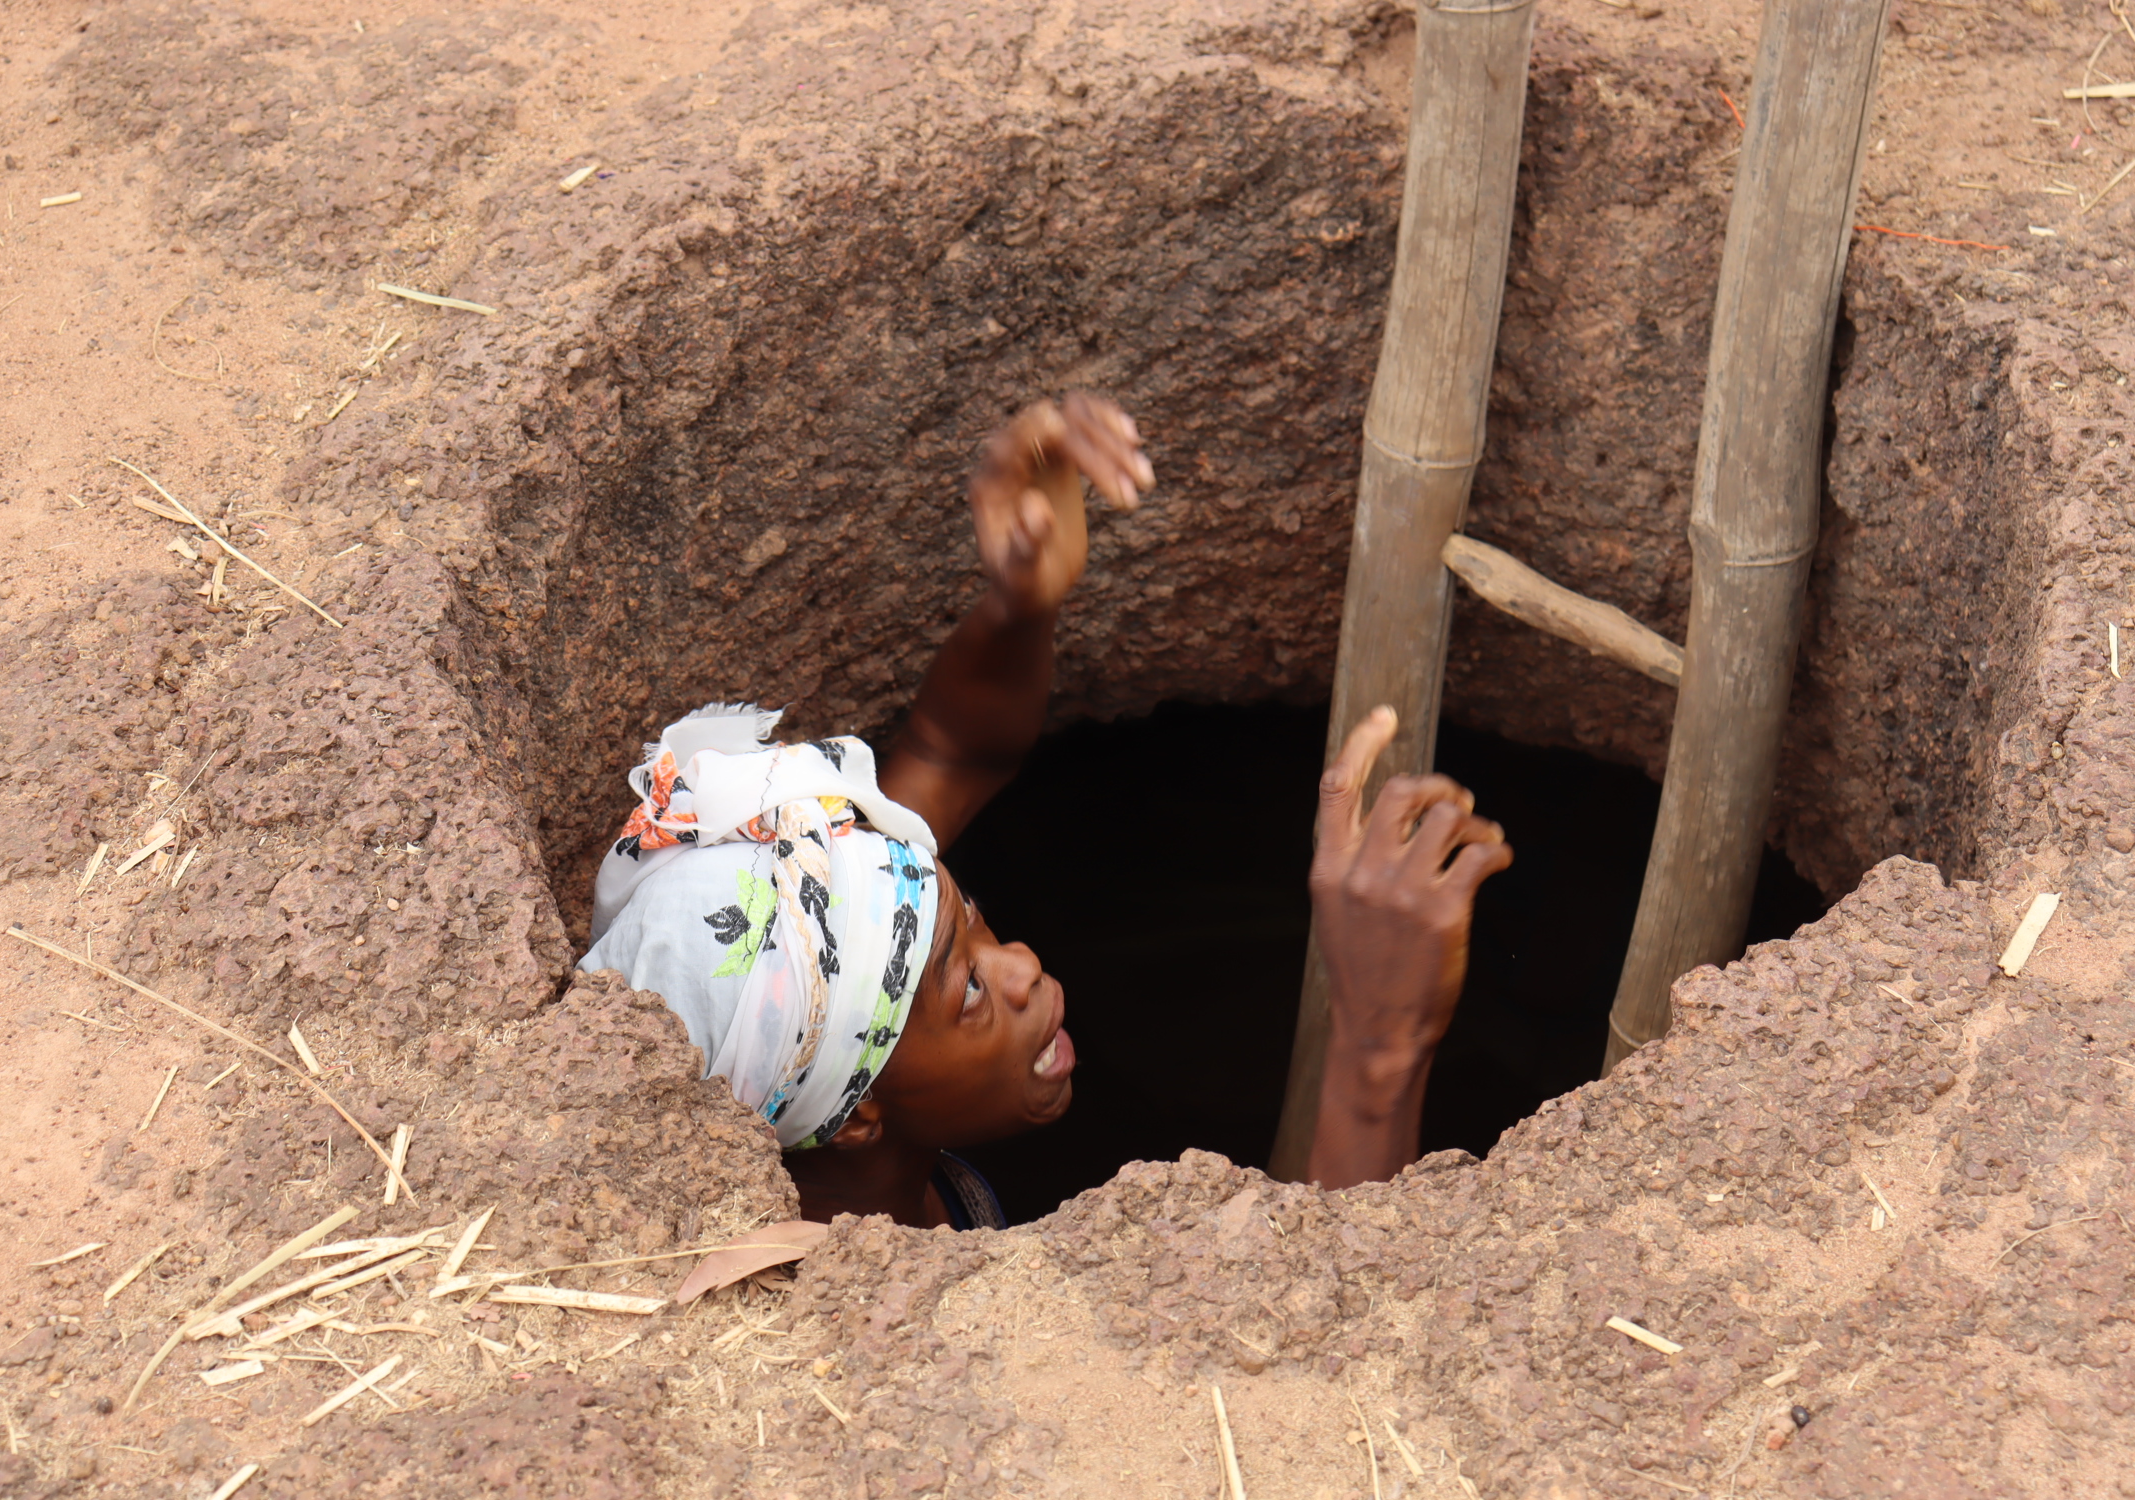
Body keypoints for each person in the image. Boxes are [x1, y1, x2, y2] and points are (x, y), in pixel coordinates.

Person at [579, 395, 1512, 1226]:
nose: (1023, 966)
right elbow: (1321, 1347)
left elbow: (952, 750)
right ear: (855, 1112)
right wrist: (1382, 1039)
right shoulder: (879, 1322)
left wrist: (1019, 602)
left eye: (979, 925)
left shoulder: (852, 1083)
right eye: (970, 988)